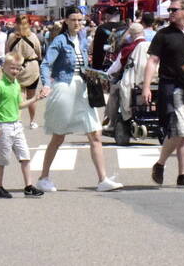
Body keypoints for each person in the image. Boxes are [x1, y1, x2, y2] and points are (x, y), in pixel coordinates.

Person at [36, 10, 122, 193]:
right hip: (64, 86)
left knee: (95, 133)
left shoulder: (82, 39)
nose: (77, 23)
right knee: (58, 136)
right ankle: (43, 177)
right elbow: (45, 64)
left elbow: (84, 65)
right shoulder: (59, 41)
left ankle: (103, 179)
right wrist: (46, 84)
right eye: (73, 20)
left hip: (82, 87)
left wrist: (97, 75)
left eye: (79, 20)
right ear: (66, 21)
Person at [142, 0, 184, 189]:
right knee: (179, 129)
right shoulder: (163, 34)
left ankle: (183, 175)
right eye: (169, 10)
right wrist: (146, 86)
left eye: (174, 10)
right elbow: (153, 61)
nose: (170, 13)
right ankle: (160, 163)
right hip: (172, 86)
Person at [0, 53, 44, 198]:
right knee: (3, 158)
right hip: (3, 125)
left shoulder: (16, 85)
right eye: (12, 68)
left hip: (16, 125)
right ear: (4, 67)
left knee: (25, 155)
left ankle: (28, 186)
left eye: (18, 69)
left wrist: (35, 98)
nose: (15, 71)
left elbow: (20, 104)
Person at [7, 14, 43, 129]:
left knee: (18, 95)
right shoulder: (33, 36)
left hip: (16, 67)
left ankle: (18, 120)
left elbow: (7, 52)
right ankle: (32, 121)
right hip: (32, 67)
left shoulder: (12, 37)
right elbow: (39, 51)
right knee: (32, 96)